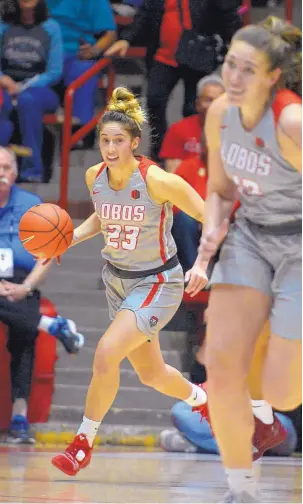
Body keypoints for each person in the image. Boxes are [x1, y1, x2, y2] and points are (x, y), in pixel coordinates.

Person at [51, 86, 209, 476]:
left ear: (134, 142)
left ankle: (83, 443)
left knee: (106, 352)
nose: (109, 147)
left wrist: (204, 263)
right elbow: (103, 219)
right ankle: (203, 400)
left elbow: (211, 217)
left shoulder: (157, 179)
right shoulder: (94, 175)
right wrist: (67, 237)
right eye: (104, 140)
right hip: (117, 281)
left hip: (158, 282)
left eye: (118, 140)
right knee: (151, 375)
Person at [190, 16, 302, 502]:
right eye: (229, 65)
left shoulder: (292, 121)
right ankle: (240, 489)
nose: (232, 78)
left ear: (272, 75)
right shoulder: (220, 114)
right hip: (251, 234)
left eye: (246, 70)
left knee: (283, 394)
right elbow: (220, 188)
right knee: (221, 366)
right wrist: (212, 229)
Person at [0, 146, 85, 444]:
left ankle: (19, 417)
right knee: (29, 321)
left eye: (7, 167)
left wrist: (27, 287)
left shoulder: (31, 205)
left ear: (15, 173)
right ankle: (51, 325)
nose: (1, 172)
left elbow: (47, 255)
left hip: (22, 281)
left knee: (24, 335)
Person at [105, 0, 241, 161]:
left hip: (198, 55)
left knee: (193, 108)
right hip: (163, 55)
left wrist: (237, 42)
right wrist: (127, 39)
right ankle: (161, 148)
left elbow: (228, 15)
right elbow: (146, 14)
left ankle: (194, 149)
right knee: (154, 99)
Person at [0, 0, 63, 182]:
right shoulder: (4, 25)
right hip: (5, 85)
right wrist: (4, 80)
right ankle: (3, 166)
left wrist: (22, 87)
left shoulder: (51, 28)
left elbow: (54, 72)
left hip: (39, 88)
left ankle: (32, 170)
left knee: (27, 101)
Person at [47, 0, 116, 127]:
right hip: (41, 53)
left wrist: (95, 50)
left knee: (83, 69)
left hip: (75, 54)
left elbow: (109, 34)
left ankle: (80, 130)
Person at [159, 74, 224, 173]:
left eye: (219, 101)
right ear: (198, 104)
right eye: (208, 100)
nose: (214, 106)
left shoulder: (237, 133)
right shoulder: (178, 130)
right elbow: (173, 176)